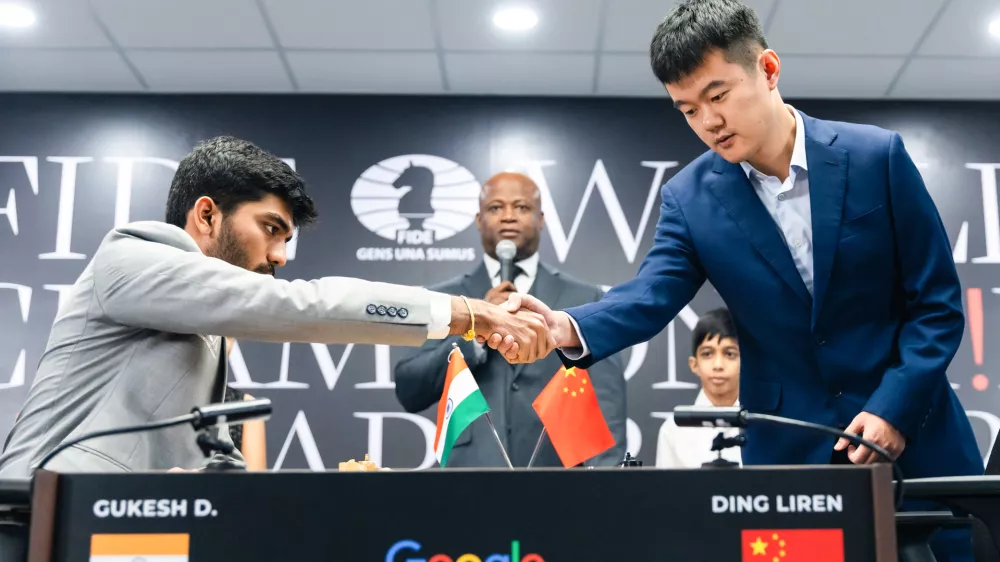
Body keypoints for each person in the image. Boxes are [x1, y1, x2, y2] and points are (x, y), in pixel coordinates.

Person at [506, 1, 981, 558]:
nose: (708, 121)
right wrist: (563, 325)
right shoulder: (689, 197)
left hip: (918, 438)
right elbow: (650, 295)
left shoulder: (876, 157)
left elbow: (937, 305)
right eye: (687, 109)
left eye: (718, 95)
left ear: (769, 70)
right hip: (789, 454)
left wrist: (891, 407)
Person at [0, 136, 551, 478]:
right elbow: (297, 306)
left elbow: (209, 458)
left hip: (123, 527)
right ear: (208, 215)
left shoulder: (201, 320)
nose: (281, 256)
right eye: (271, 230)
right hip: (40, 518)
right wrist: (465, 313)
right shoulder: (131, 256)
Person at [394, 173, 627, 467]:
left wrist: (610, 482)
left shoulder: (584, 296)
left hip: (560, 476)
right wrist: (475, 326)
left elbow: (607, 401)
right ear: (479, 220)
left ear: (540, 219)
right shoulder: (441, 300)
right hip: (468, 475)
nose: (508, 217)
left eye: (521, 207)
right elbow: (409, 389)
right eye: (495, 208)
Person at [656, 308, 741, 468]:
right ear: (694, 364)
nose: (718, 365)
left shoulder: (760, 424)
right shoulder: (673, 429)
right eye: (708, 354)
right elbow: (665, 491)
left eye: (730, 354)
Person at [224, 338, 266, 471]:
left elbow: (255, 487)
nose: (223, 342)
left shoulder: (247, 407)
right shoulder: (166, 400)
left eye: (228, 336)